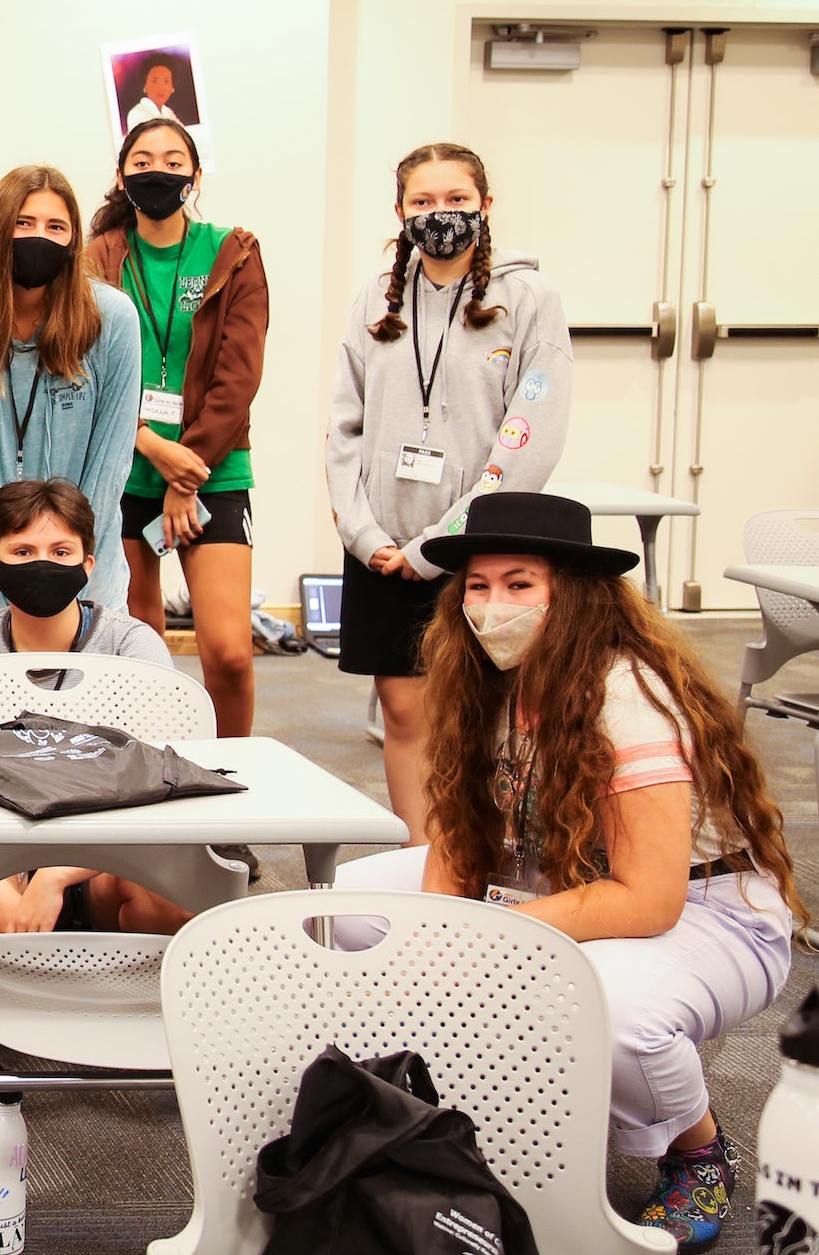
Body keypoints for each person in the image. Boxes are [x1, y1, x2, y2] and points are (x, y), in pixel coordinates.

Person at [335, 492, 802, 1254]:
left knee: (611, 1009)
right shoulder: (483, 676)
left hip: (708, 909)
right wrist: (437, 937)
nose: (492, 607)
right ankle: (466, 1097)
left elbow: (649, 901)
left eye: (520, 584)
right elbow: (461, 827)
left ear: (572, 594)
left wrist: (491, 933)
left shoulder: (626, 696)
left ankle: (699, 1150)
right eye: (478, 586)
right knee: (359, 908)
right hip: (560, 869)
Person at [325, 142, 572, 843]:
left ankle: (491, 859)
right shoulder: (377, 299)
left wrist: (441, 545)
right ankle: (427, 862)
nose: (441, 215)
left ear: (485, 207)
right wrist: (367, 538)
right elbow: (344, 424)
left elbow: (530, 432)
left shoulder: (528, 299)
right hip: (382, 552)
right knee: (404, 715)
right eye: (424, 202)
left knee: (486, 716)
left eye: (457, 200)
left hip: (478, 551)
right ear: (400, 212)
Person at [0, 480, 194, 940]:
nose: (42, 564)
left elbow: (157, 781)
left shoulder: (132, 645)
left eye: (61, 552)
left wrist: (58, 873)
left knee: (171, 898)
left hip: (111, 847)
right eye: (22, 552)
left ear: (88, 564)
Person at [84, 118, 269, 739]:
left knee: (229, 654)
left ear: (193, 174)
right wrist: (150, 444)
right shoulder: (99, 256)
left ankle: (234, 783)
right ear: (121, 175)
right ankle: (150, 774)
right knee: (142, 650)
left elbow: (237, 377)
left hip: (211, 470)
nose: (156, 171)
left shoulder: (232, 251)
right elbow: (83, 365)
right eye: (141, 160)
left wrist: (185, 473)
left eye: (171, 160)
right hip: (119, 468)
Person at [0, 164, 139, 625]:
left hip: (87, 582)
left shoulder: (112, 319)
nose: (40, 237)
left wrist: (69, 572)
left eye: (56, 226)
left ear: (73, 241)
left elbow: (109, 462)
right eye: (24, 223)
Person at [124, 58, 181, 129]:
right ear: (145, 86)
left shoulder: (168, 112)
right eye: (154, 81)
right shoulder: (136, 114)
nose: (160, 87)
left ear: (172, 88)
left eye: (166, 81)